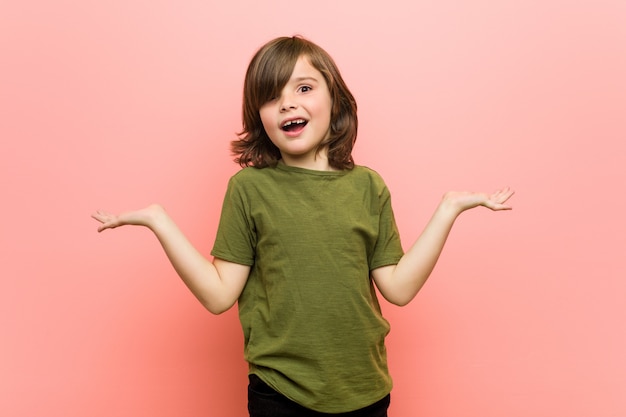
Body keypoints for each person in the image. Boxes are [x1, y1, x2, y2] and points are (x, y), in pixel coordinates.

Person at [92, 36, 514, 417]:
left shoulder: (368, 186)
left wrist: (448, 209)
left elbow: (398, 289)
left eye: (304, 88)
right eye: (271, 97)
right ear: (260, 117)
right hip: (280, 393)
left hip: (365, 390)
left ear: (336, 100)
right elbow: (220, 295)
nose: (288, 104)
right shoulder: (249, 189)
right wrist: (159, 222)